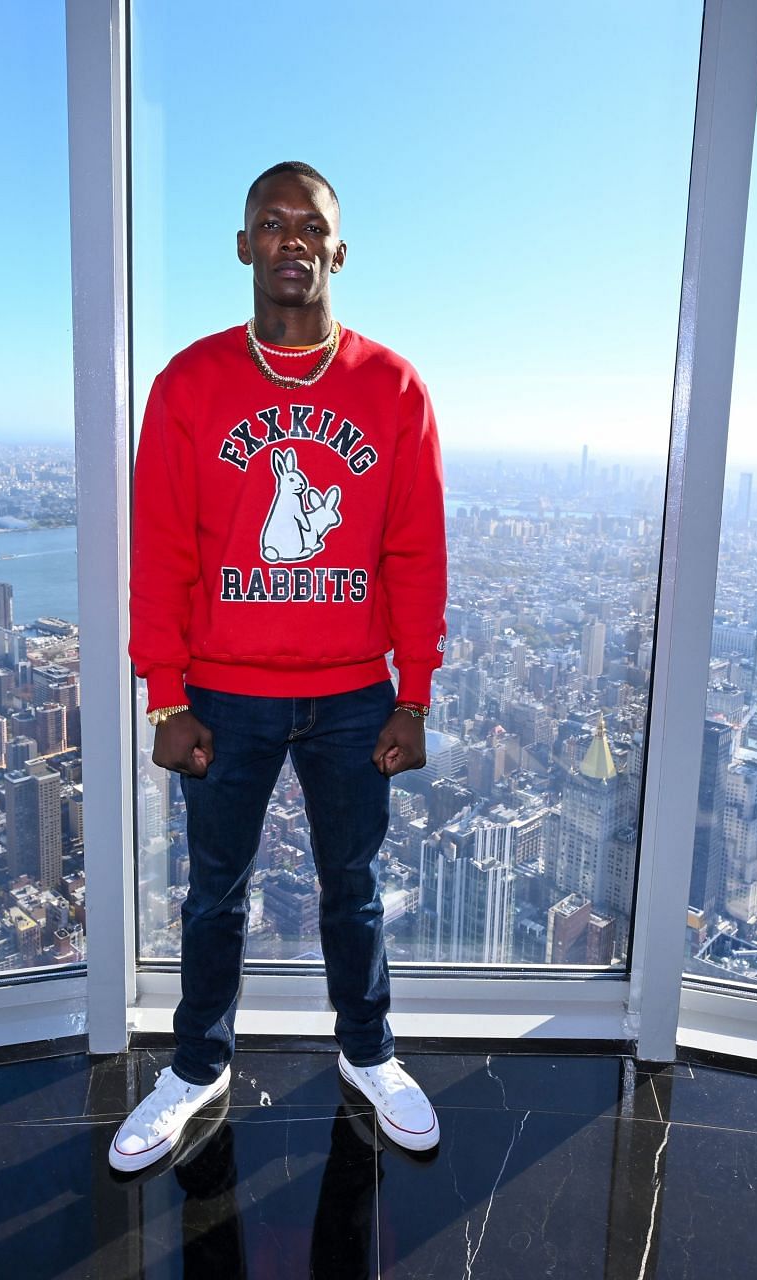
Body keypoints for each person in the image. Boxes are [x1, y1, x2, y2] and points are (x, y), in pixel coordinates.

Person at [111, 161, 449, 1174]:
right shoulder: (188, 384)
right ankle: (195, 1064)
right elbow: (162, 545)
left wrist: (415, 690)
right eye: (272, 222)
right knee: (215, 890)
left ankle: (370, 1051)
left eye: (313, 225)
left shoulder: (392, 387)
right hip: (225, 690)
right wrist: (164, 693)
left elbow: (415, 549)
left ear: (338, 250)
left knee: (354, 885)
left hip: (353, 694)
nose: (292, 238)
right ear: (246, 245)